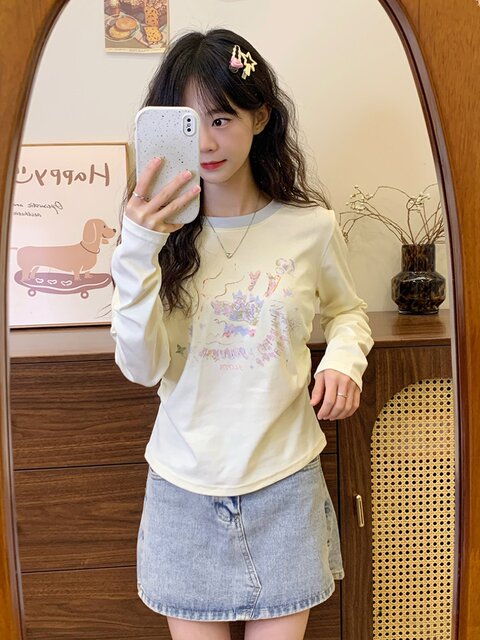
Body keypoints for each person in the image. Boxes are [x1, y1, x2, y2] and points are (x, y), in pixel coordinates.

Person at [110, 28, 373, 640]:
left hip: (285, 486)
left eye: (222, 118)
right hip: (183, 490)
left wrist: (343, 360)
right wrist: (139, 246)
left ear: (260, 117)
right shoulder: (151, 239)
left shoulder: (311, 227)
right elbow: (141, 368)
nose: (205, 142)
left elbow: (349, 313)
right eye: (188, 123)